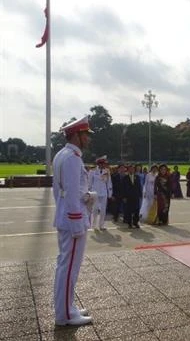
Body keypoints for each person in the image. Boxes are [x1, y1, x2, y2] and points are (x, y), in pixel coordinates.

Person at [52, 116, 94, 326]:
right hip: (72, 220)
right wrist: (78, 222)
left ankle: (67, 308)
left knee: (65, 266)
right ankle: (65, 315)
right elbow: (69, 193)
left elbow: (60, 191)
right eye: (85, 134)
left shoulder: (62, 155)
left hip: (65, 217)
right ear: (76, 135)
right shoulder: (72, 158)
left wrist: (86, 196)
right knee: (69, 268)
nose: (88, 139)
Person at [89, 155, 113, 231]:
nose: (104, 165)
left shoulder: (107, 171)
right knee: (95, 209)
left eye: (104, 164)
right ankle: (94, 225)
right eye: (102, 164)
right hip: (95, 192)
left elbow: (109, 182)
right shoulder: (92, 171)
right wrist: (89, 192)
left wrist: (110, 193)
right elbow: (89, 183)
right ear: (99, 164)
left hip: (104, 192)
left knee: (103, 210)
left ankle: (101, 225)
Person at [122, 164, 142, 228]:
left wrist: (140, 194)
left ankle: (136, 222)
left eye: (133, 169)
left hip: (136, 196)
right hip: (128, 196)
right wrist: (124, 197)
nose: (131, 170)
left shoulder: (137, 177)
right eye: (130, 169)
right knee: (129, 210)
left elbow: (139, 186)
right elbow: (123, 188)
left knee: (137, 210)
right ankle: (129, 223)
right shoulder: (125, 178)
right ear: (128, 170)